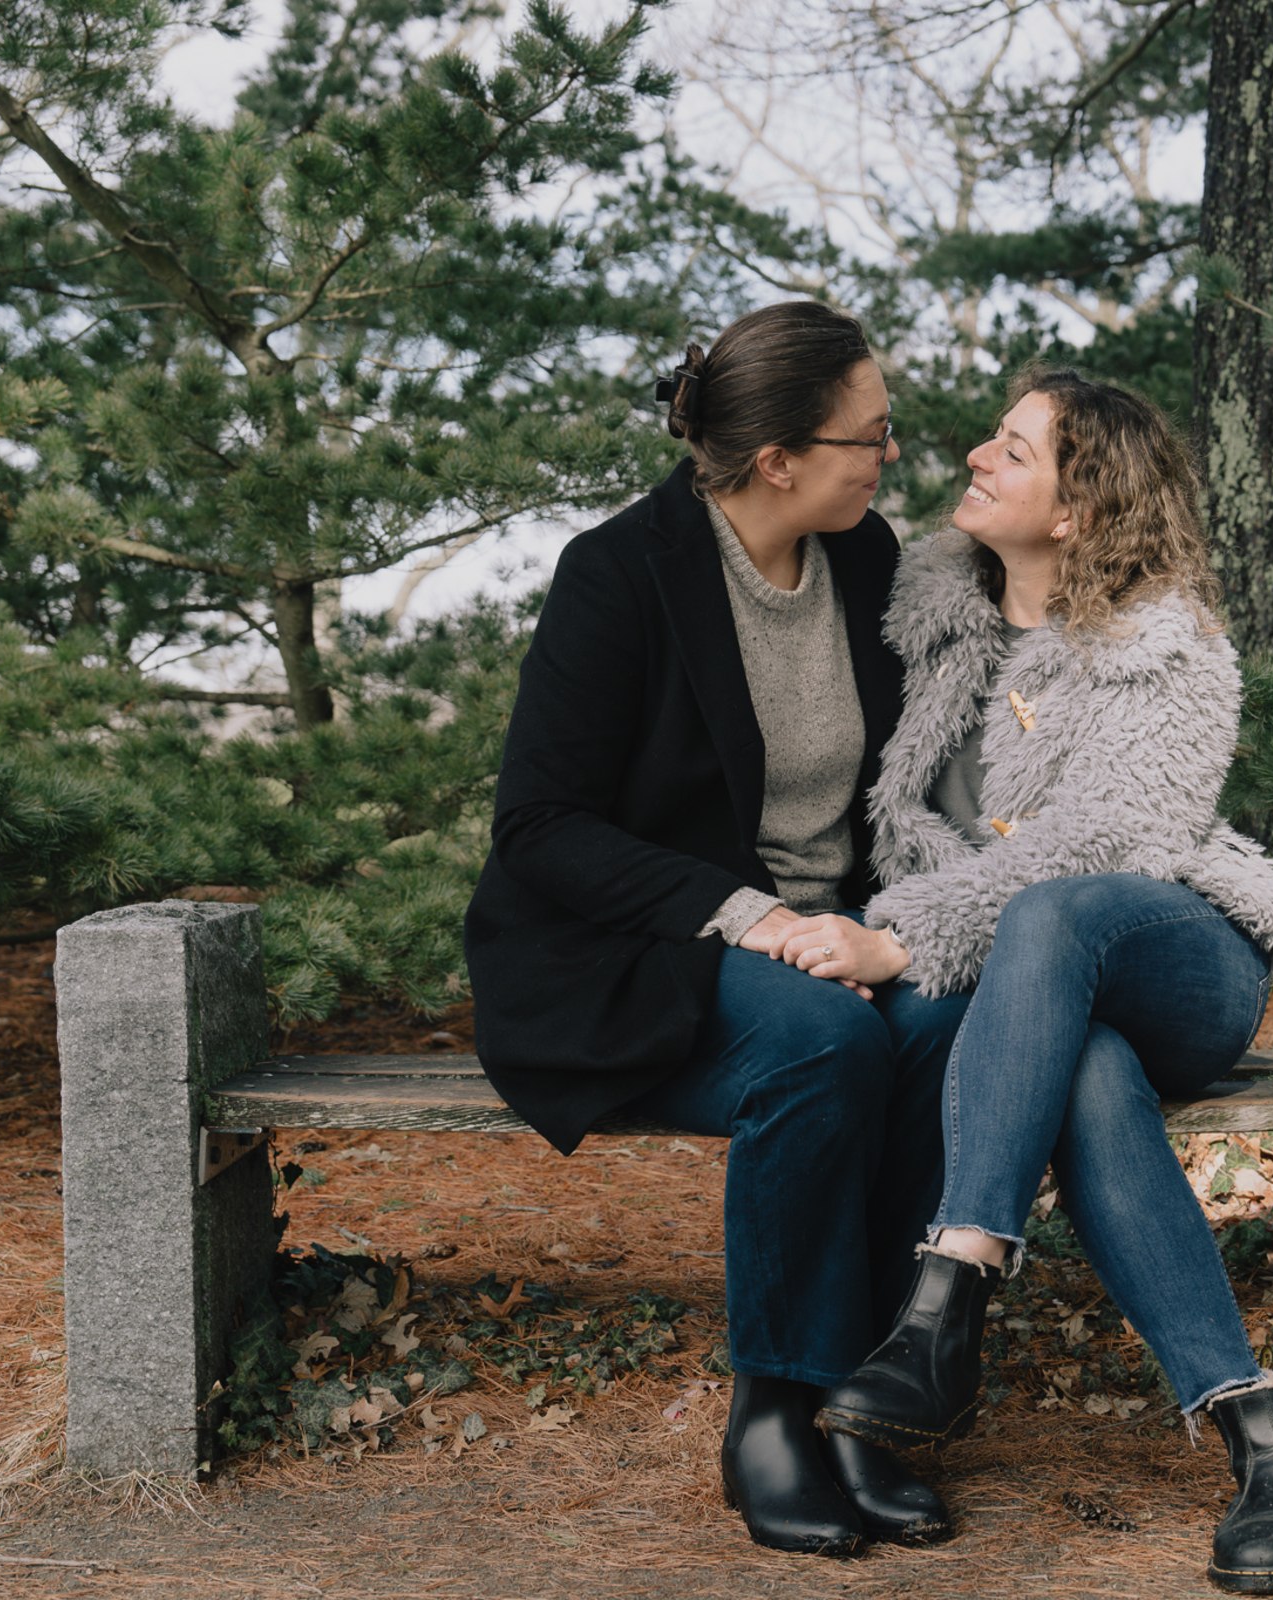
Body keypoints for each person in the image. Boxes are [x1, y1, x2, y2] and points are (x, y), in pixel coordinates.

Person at [762, 370, 1273, 1595]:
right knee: (1088, 1073)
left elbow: (1106, 844)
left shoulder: (1162, 643)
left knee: (1056, 908)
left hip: (1175, 951)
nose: (976, 456)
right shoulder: (927, 616)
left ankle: (947, 1296)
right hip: (1033, 993)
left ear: (1074, 510)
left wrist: (898, 936)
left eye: (1011, 451)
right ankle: (1257, 1434)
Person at [462, 301, 975, 1558]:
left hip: (828, 933)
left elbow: (901, 779)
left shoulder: (862, 558)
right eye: (869, 435)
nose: (888, 457)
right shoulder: (621, 573)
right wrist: (750, 918)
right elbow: (537, 824)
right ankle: (774, 1410)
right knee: (820, 1045)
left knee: (944, 1017)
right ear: (777, 460)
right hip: (641, 950)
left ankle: (867, 1400)